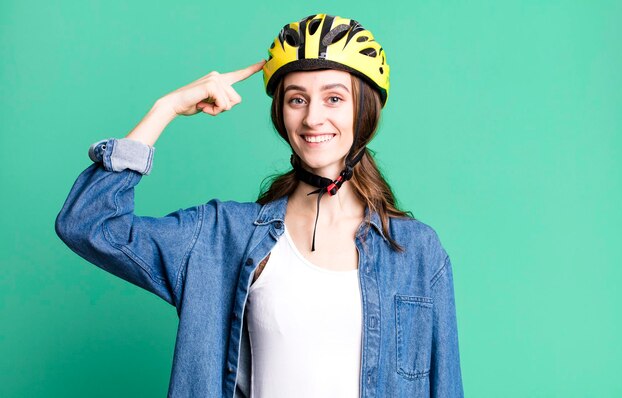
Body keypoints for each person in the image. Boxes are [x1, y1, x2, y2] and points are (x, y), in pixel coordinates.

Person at [56, 13, 463, 398]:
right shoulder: (220, 238)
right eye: (297, 100)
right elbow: (88, 223)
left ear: (364, 111)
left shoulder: (417, 253)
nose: (313, 118)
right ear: (280, 113)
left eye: (334, 98)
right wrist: (167, 108)